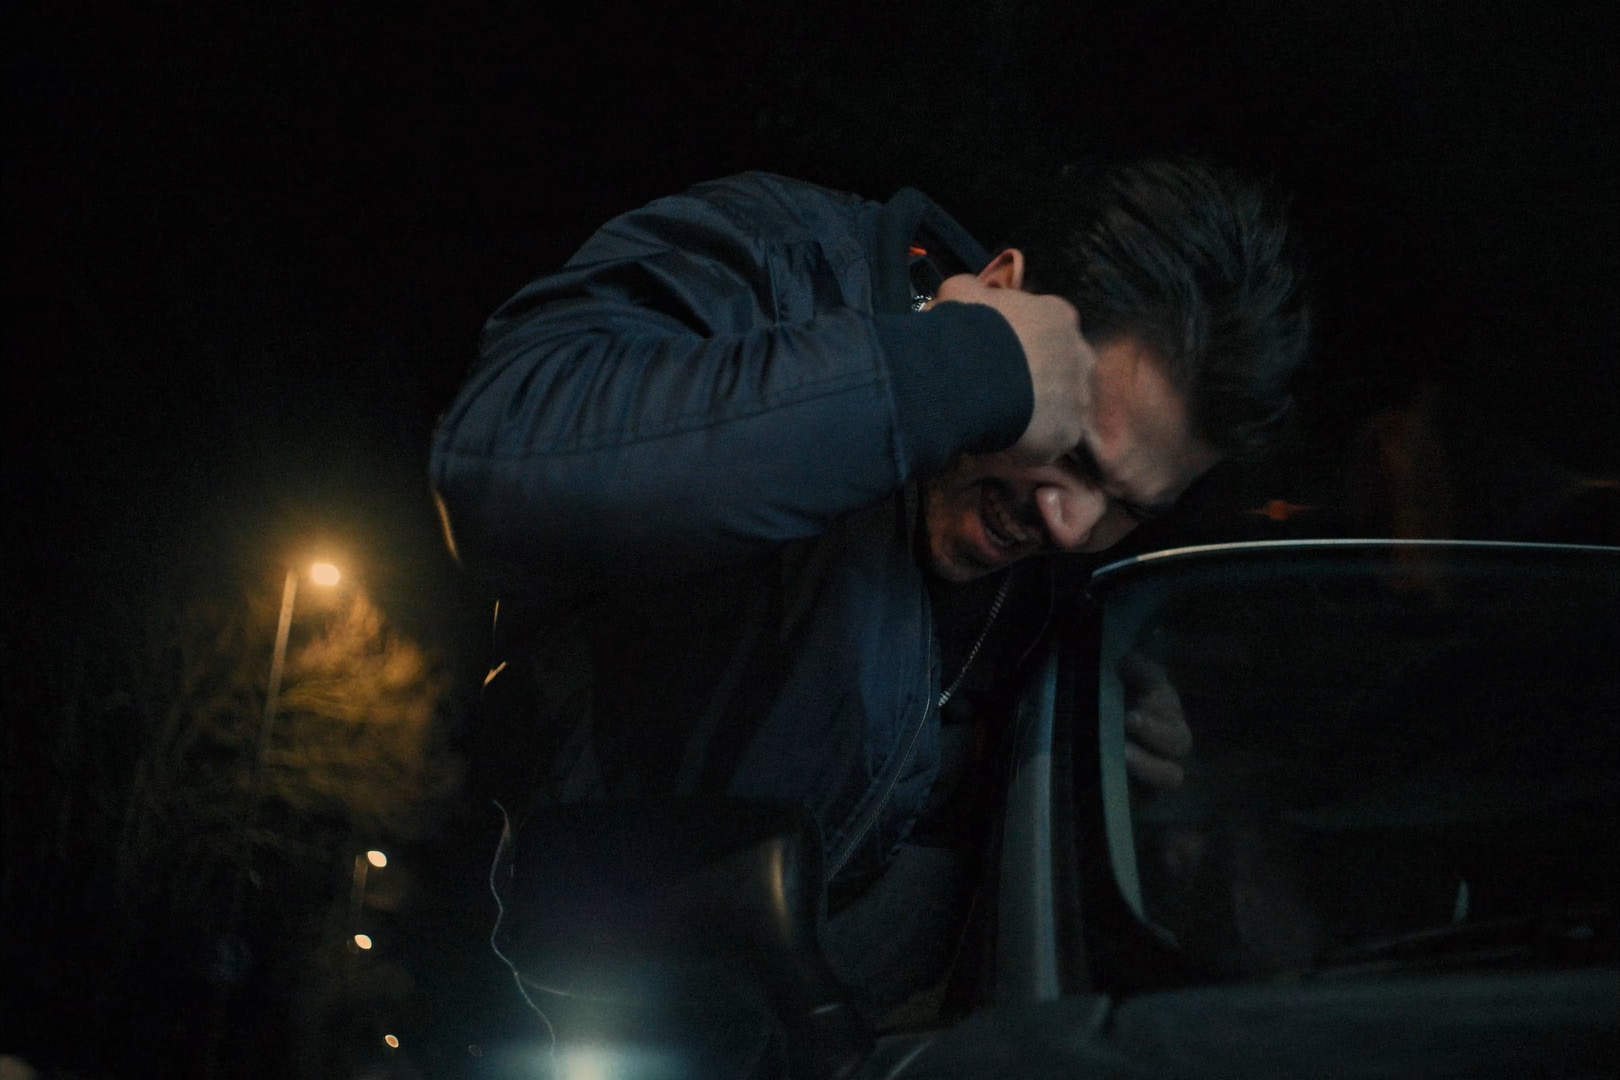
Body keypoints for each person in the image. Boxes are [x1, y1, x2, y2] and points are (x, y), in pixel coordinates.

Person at [429, 159, 1311, 1022]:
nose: (1073, 525)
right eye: (1074, 453)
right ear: (1004, 296)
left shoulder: (1059, 582)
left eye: (1127, 506)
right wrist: (953, 372)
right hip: (582, 1010)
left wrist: (1103, 749)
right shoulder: (781, 265)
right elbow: (502, 458)